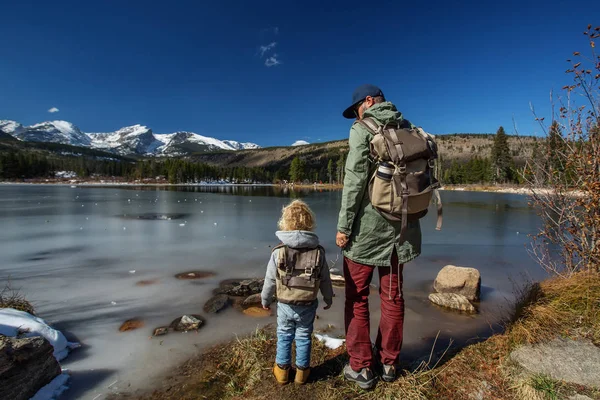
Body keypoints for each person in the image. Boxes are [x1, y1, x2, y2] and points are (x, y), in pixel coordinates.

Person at [336, 84, 422, 389]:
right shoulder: (407, 127)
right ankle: (388, 364)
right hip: (403, 229)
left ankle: (361, 367)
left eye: (357, 108)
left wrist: (344, 227)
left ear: (369, 102)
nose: (355, 116)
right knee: (393, 296)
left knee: (357, 297)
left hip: (368, 232)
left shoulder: (363, 129)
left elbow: (355, 180)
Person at [261, 200, 334, 385]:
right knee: (303, 335)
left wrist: (265, 299)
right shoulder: (318, 252)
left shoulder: (278, 252)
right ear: (310, 222)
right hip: (308, 303)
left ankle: (282, 371)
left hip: (285, 303)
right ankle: (302, 372)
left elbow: (270, 280)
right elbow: (325, 279)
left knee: (284, 334)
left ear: (284, 223)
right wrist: (328, 297)